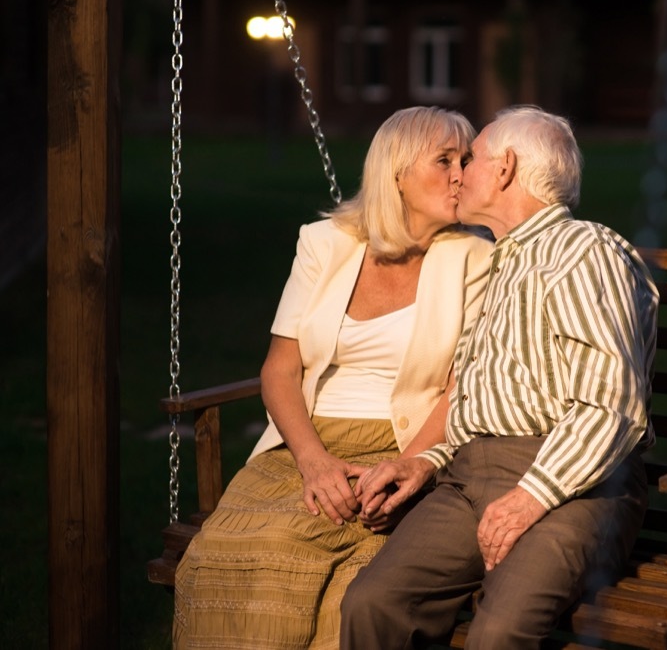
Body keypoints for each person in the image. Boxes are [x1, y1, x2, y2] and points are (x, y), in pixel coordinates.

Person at [173, 106, 493, 649]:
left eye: (466, 159)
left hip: (401, 445)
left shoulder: (475, 256)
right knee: (233, 551)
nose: (462, 173)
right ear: (396, 173)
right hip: (305, 443)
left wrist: (407, 464)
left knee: (353, 586)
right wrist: (313, 462)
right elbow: (280, 368)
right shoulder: (325, 243)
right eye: (445, 160)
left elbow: (460, 388)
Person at [342, 105, 659, 649]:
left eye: (470, 158)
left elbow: (610, 406)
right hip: (469, 480)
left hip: (574, 484)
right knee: (372, 604)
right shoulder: (505, 261)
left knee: (499, 633)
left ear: (506, 167)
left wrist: (530, 495)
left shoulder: (583, 252)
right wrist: (426, 460)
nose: (458, 172)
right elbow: (483, 402)